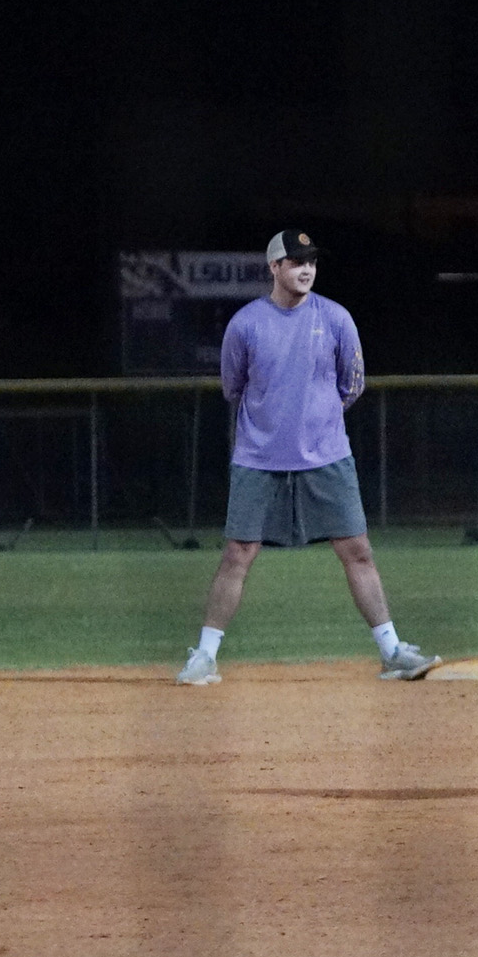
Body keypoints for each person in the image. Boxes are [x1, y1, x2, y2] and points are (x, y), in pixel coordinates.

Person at [176, 230, 440, 685]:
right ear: (273, 268)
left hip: (326, 456)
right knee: (238, 552)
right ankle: (204, 656)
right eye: (295, 261)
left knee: (357, 550)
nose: (306, 269)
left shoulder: (336, 318)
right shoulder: (246, 324)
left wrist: (319, 419)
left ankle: (393, 650)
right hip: (259, 457)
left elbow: (353, 383)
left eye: (312, 262)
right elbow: (231, 386)